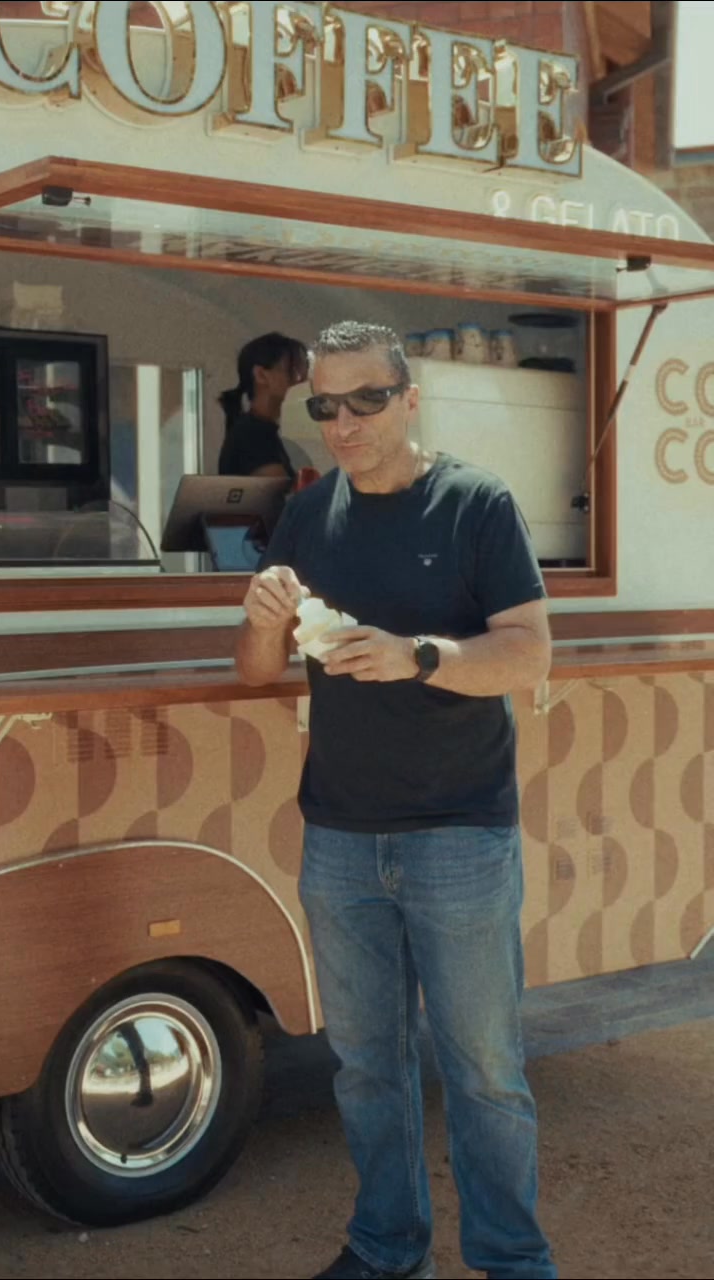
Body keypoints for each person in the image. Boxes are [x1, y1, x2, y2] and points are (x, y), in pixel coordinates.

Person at [235, 321, 557, 1280]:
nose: (343, 422)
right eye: (323, 404)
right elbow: (258, 671)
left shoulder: (475, 504)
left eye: (365, 399)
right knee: (368, 1070)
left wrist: (421, 656)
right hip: (338, 837)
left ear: (410, 400)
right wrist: (259, 619)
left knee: (486, 1075)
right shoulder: (305, 513)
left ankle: (512, 1260)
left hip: (459, 834)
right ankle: (385, 1248)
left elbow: (530, 651)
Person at [217, 332, 309, 480]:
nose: (303, 382)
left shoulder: (260, 430)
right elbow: (281, 497)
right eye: (294, 371)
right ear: (261, 375)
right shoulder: (253, 435)